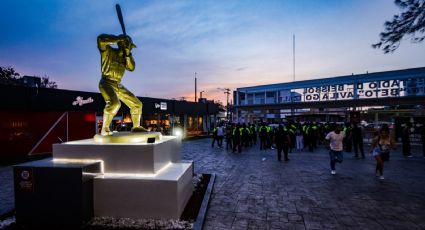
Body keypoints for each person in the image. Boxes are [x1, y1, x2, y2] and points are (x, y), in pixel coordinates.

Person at [97, 33, 148, 136]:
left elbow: (131, 67)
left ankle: (136, 127)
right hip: (106, 82)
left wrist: (128, 54)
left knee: (137, 104)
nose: (129, 48)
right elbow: (100, 39)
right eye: (128, 45)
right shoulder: (108, 51)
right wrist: (118, 39)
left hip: (118, 85)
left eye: (130, 46)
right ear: (122, 44)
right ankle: (105, 128)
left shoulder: (126, 59)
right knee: (115, 104)